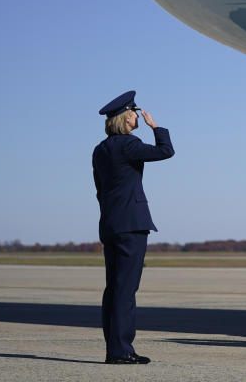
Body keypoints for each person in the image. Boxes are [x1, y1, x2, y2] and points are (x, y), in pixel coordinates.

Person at [93, 90, 174, 365]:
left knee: (114, 289)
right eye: (135, 113)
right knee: (126, 290)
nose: (137, 116)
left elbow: (99, 191)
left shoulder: (100, 150)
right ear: (126, 118)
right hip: (132, 225)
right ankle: (121, 351)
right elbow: (165, 151)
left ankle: (114, 348)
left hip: (111, 223)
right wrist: (156, 127)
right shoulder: (128, 145)